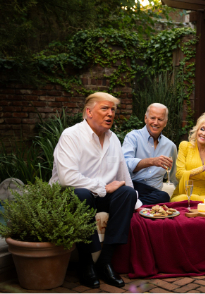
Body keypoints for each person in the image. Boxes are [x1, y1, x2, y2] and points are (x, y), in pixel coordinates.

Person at [49, 92, 140, 289]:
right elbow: (67, 178)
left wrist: (136, 204)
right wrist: (103, 187)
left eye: (113, 110)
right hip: (72, 195)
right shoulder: (71, 135)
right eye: (105, 109)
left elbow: (123, 175)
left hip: (100, 195)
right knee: (82, 194)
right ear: (89, 112)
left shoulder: (113, 138)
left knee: (128, 194)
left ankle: (105, 261)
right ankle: (86, 262)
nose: (110, 114)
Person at [122, 103, 178, 205]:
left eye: (160, 119)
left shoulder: (170, 146)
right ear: (145, 118)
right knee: (128, 193)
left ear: (165, 122)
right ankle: (131, 204)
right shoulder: (133, 137)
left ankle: (132, 205)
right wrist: (152, 161)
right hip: (133, 186)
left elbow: (174, 176)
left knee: (164, 196)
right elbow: (124, 164)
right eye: (152, 118)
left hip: (153, 193)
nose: (155, 122)